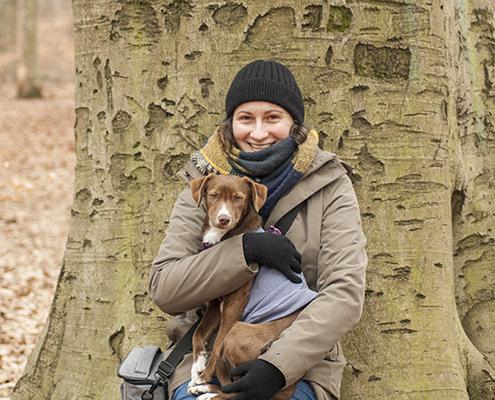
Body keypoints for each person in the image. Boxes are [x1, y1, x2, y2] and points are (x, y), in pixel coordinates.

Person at [149, 60, 367, 400]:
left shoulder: (329, 185)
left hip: (300, 363)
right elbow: (165, 288)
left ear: (294, 123)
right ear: (231, 122)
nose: (259, 133)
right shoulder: (202, 184)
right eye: (246, 118)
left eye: (273, 118)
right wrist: (244, 252)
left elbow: (344, 294)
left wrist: (278, 365)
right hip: (202, 361)